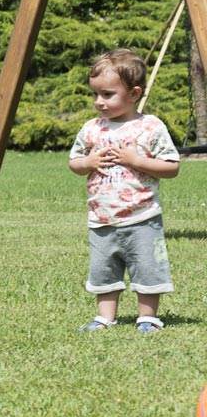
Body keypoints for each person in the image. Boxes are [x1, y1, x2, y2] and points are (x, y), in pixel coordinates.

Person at [68, 48, 180, 333]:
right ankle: (105, 316)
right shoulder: (92, 129)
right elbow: (74, 162)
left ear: (133, 94)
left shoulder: (150, 127)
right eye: (95, 94)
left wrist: (137, 161)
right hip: (101, 217)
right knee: (104, 269)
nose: (99, 102)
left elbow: (171, 167)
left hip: (142, 216)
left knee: (147, 267)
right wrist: (88, 162)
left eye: (107, 94)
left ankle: (148, 316)